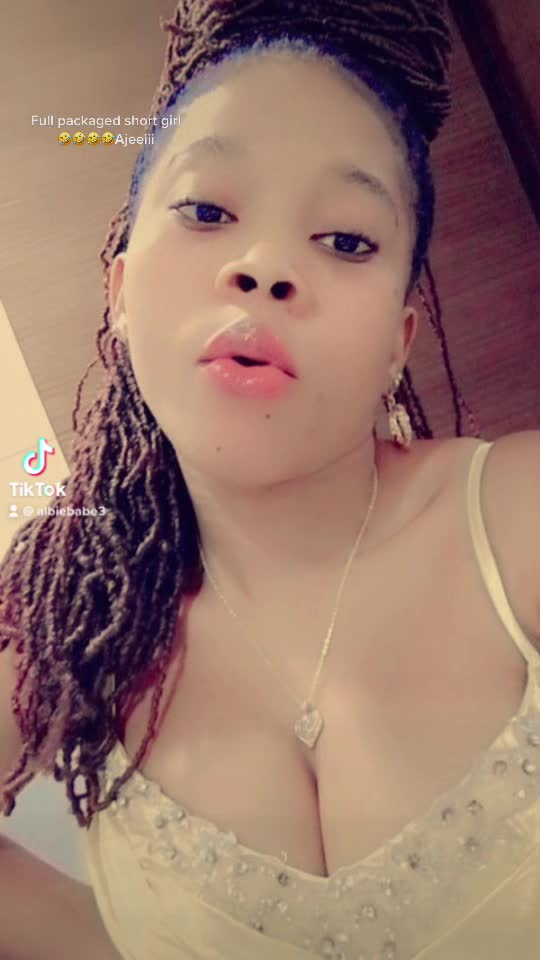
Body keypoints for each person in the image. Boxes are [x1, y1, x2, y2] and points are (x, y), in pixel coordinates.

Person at [1, 1, 540, 957]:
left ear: (399, 340)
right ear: (120, 290)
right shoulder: (68, 626)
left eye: (347, 239)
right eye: (208, 211)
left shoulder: (521, 520)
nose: (265, 267)